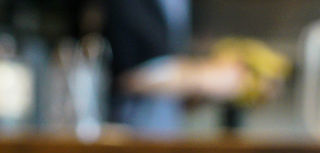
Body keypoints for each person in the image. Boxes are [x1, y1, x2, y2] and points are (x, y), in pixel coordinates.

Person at [102, 0, 249, 135]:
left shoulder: (183, 5)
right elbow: (125, 75)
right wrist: (204, 78)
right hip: (126, 135)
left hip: (168, 134)